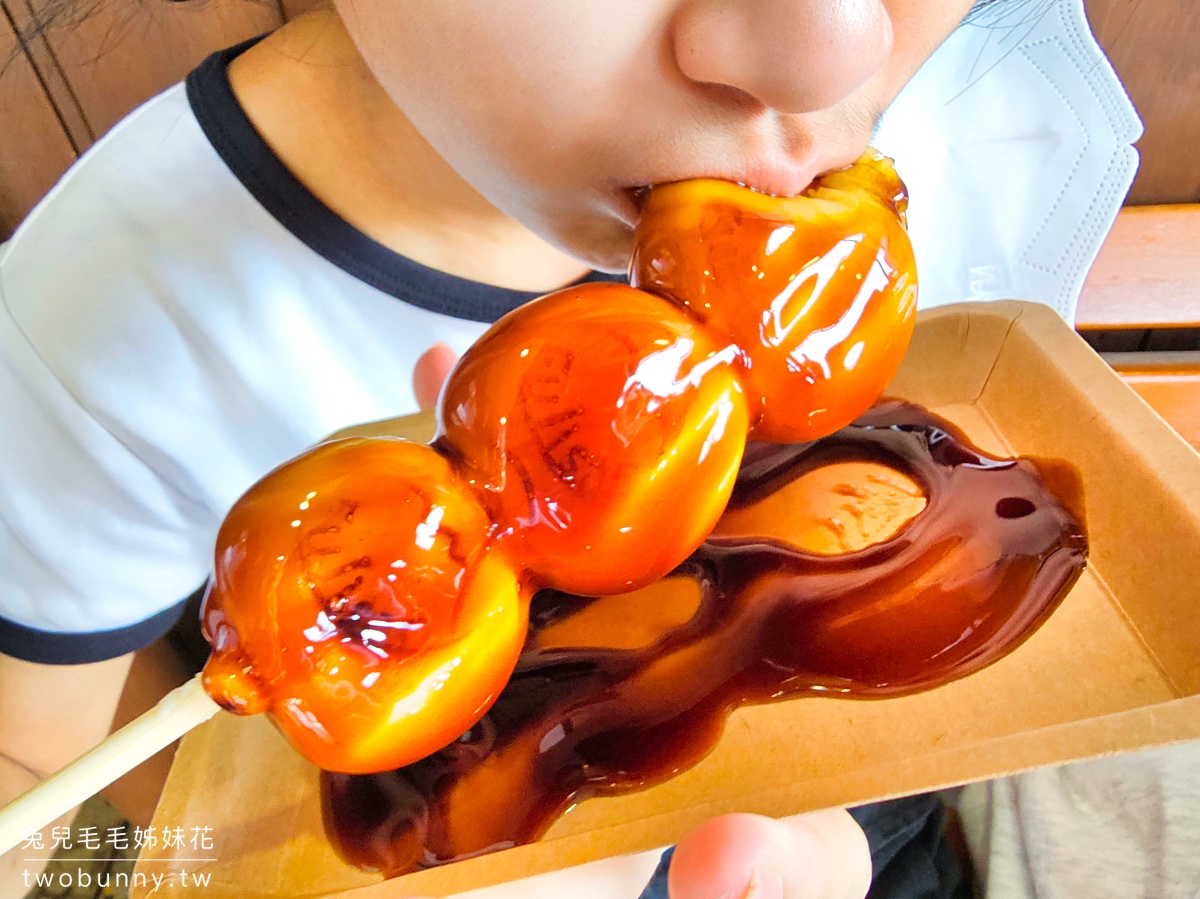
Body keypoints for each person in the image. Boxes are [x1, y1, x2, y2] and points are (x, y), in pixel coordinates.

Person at [0, 0, 1025, 897]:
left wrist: (840, 824)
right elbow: (27, 766)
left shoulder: (915, 134)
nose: (834, 49)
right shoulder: (102, 319)